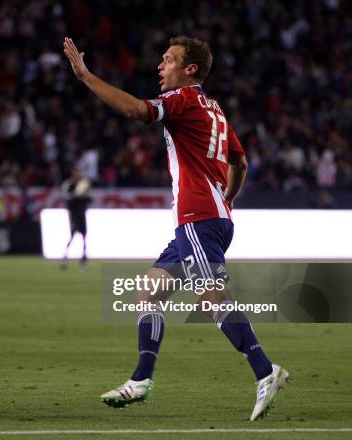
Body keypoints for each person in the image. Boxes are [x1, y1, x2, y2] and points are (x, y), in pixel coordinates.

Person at [63, 35, 288, 421]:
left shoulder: (183, 99)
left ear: (191, 70)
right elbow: (241, 161)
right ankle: (140, 380)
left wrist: (86, 77)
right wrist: (228, 197)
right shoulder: (215, 109)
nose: (159, 66)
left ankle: (265, 370)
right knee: (148, 293)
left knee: (212, 301)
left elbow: (136, 110)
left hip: (199, 221)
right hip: (204, 220)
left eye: (168, 60)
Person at [60, 167, 92, 269]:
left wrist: (83, 195)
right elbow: (66, 199)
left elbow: (89, 199)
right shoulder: (69, 184)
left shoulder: (84, 184)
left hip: (82, 214)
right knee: (72, 236)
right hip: (73, 215)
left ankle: (83, 260)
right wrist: (77, 195)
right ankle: (64, 258)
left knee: (84, 237)